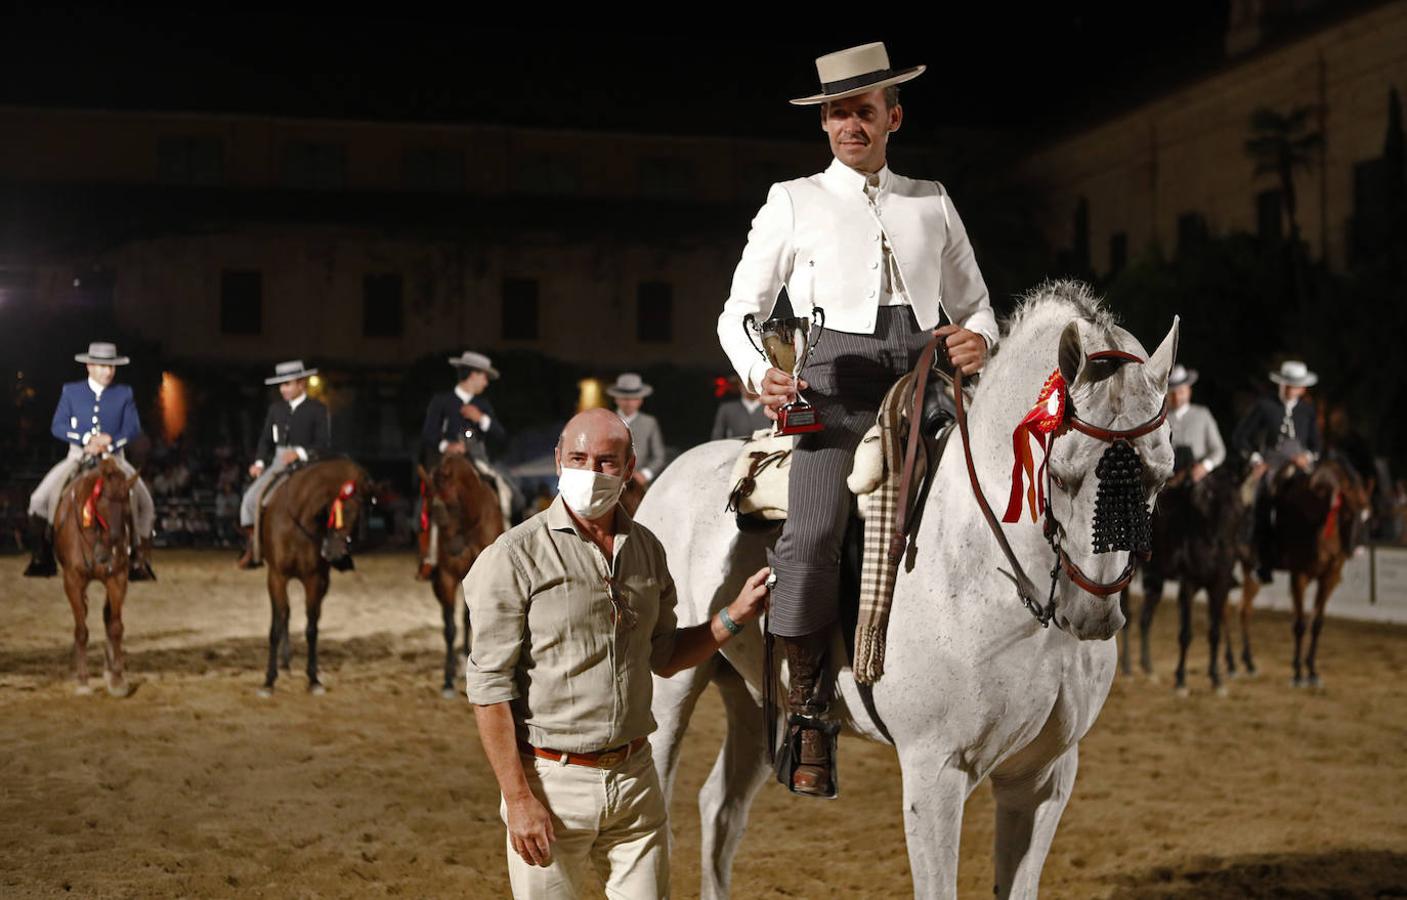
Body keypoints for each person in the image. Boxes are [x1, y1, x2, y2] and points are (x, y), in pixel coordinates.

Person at [716, 41, 997, 797]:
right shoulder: (792, 199)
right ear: (825, 125)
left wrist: (981, 339)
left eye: (863, 111)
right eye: (837, 112)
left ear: (891, 117)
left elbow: (974, 306)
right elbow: (738, 309)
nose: (849, 123)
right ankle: (807, 714)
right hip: (827, 386)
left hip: (924, 375)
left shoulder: (931, 198)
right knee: (809, 534)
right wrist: (760, 371)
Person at [464, 408, 770, 898]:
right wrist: (518, 798)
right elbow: (489, 690)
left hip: (635, 783)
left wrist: (732, 615)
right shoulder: (512, 556)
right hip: (551, 784)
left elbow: (665, 655)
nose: (591, 472)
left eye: (606, 461)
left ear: (629, 469)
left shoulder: (648, 549)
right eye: (579, 458)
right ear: (558, 460)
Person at [24, 342, 157, 580]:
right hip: (78, 455)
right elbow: (58, 426)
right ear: (89, 366)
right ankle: (42, 556)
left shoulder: (124, 392)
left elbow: (133, 427)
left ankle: (139, 558)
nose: (109, 371)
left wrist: (111, 441)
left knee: (145, 503)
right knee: (38, 499)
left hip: (114, 459)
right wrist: (86, 439)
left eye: (112, 366)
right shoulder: (71, 391)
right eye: (103, 366)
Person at [417, 350, 515, 577]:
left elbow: (500, 435)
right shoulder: (441, 401)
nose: (486, 383)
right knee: (429, 500)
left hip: (477, 461)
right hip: (447, 463)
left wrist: (481, 419)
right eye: (484, 377)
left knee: (506, 492)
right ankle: (429, 556)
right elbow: (428, 435)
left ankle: (506, 549)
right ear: (473, 375)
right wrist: (446, 446)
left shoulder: (484, 405)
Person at [1232, 359, 1322, 582]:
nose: (1292, 389)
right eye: (1288, 384)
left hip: (1300, 464)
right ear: (1281, 384)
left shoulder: (1308, 411)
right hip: (1271, 463)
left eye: (1296, 385)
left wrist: (1307, 457)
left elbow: (1317, 446)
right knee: (1261, 499)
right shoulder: (1265, 406)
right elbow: (1240, 437)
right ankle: (1262, 558)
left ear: (1303, 388)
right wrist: (1256, 459)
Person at [235, 360, 331, 569]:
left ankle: (334, 548)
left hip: (309, 464)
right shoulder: (275, 409)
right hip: (279, 463)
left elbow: (323, 444)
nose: (283, 389)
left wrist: (298, 453)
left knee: (330, 503)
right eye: (281, 385)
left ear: (301, 384)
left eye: (287, 384)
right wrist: (259, 462)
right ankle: (254, 548)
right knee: (250, 500)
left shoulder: (317, 409)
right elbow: (265, 440)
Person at [1166, 364, 1226, 481]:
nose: (1177, 397)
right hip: (1168, 480)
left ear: (1189, 391)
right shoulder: (1163, 419)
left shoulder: (1202, 414)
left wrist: (1205, 466)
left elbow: (1219, 449)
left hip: (1198, 479)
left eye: (1181, 391)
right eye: (1172, 393)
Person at [607, 373, 666, 487]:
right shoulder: (607, 420)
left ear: (640, 400)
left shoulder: (649, 422)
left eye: (634, 398)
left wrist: (644, 474)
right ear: (616, 399)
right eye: (624, 398)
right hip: (610, 482)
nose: (629, 402)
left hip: (639, 483)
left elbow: (659, 456)